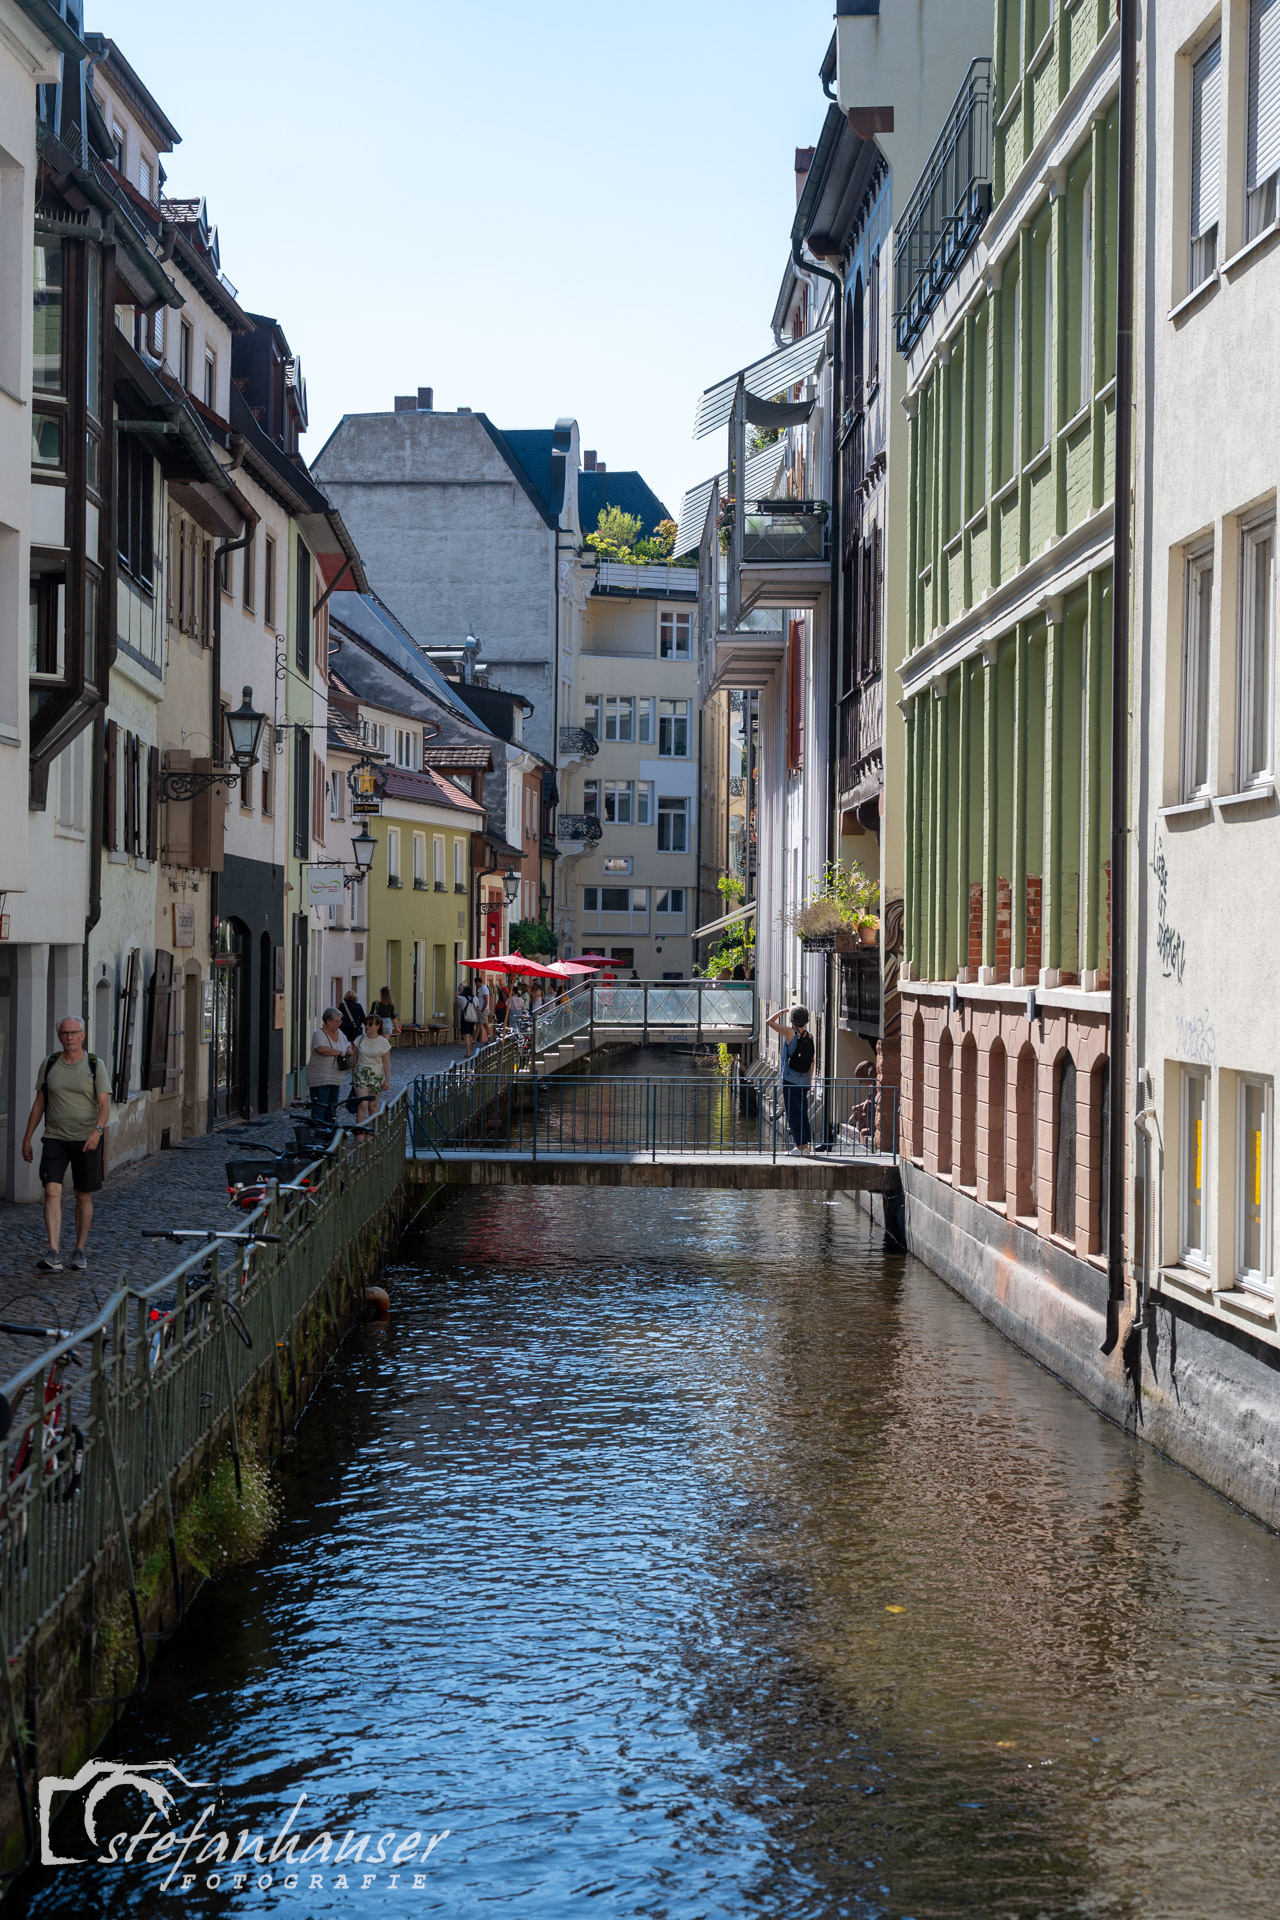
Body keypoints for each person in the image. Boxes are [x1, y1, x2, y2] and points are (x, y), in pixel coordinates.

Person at [20, 1014, 111, 1272]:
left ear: (82, 1036)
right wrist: (27, 1138)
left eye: (73, 1033)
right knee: (52, 1191)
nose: (69, 1037)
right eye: (64, 1033)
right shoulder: (50, 1063)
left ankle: (79, 1249)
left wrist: (97, 1132)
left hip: (86, 1140)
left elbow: (104, 1105)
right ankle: (53, 1252)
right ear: (59, 1036)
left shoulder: (95, 1065)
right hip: (55, 1138)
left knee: (83, 1195)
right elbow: (39, 1104)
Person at [768, 1005, 815, 1155]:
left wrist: (782, 1011)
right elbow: (812, 1061)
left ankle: (800, 1148)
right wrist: (810, 1081)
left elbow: (769, 1022)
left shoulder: (790, 1033)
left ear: (792, 1019)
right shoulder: (809, 1036)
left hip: (790, 1080)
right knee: (802, 1113)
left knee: (793, 1114)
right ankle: (806, 1146)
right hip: (804, 1081)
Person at [307, 1008, 350, 1133]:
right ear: (328, 1021)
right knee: (320, 1105)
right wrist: (339, 1052)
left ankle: (329, 1131)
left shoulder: (340, 1033)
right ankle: (319, 1132)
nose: (339, 1023)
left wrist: (349, 1050)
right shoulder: (319, 1034)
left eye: (340, 1021)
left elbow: (347, 1044)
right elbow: (321, 1049)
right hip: (321, 1077)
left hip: (336, 1077)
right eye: (336, 1021)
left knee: (332, 1106)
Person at [351, 1013, 392, 1120]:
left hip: (376, 1076)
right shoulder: (359, 1039)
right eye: (366, 1024)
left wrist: (387, 1080)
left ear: (377, 1026)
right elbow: (354, 1059)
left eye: (370, 1024)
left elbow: (386, 1062)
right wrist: (353, 1076)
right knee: (363, 1104)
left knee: (373, 1106)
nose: (367, 1026)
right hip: (360, 1074)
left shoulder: (383, 1042)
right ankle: (360, 1130)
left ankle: (371, 1129)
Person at [456, 980, 483, 1058]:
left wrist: (461, 993)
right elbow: (477, 1008)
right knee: (471, 1035)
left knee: (466, 1035)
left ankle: (468, 1052)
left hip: (465, 1018)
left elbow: (455, 995)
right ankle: (470, 1051)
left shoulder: (462, 998)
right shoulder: (476, 998)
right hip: (473, 1018)